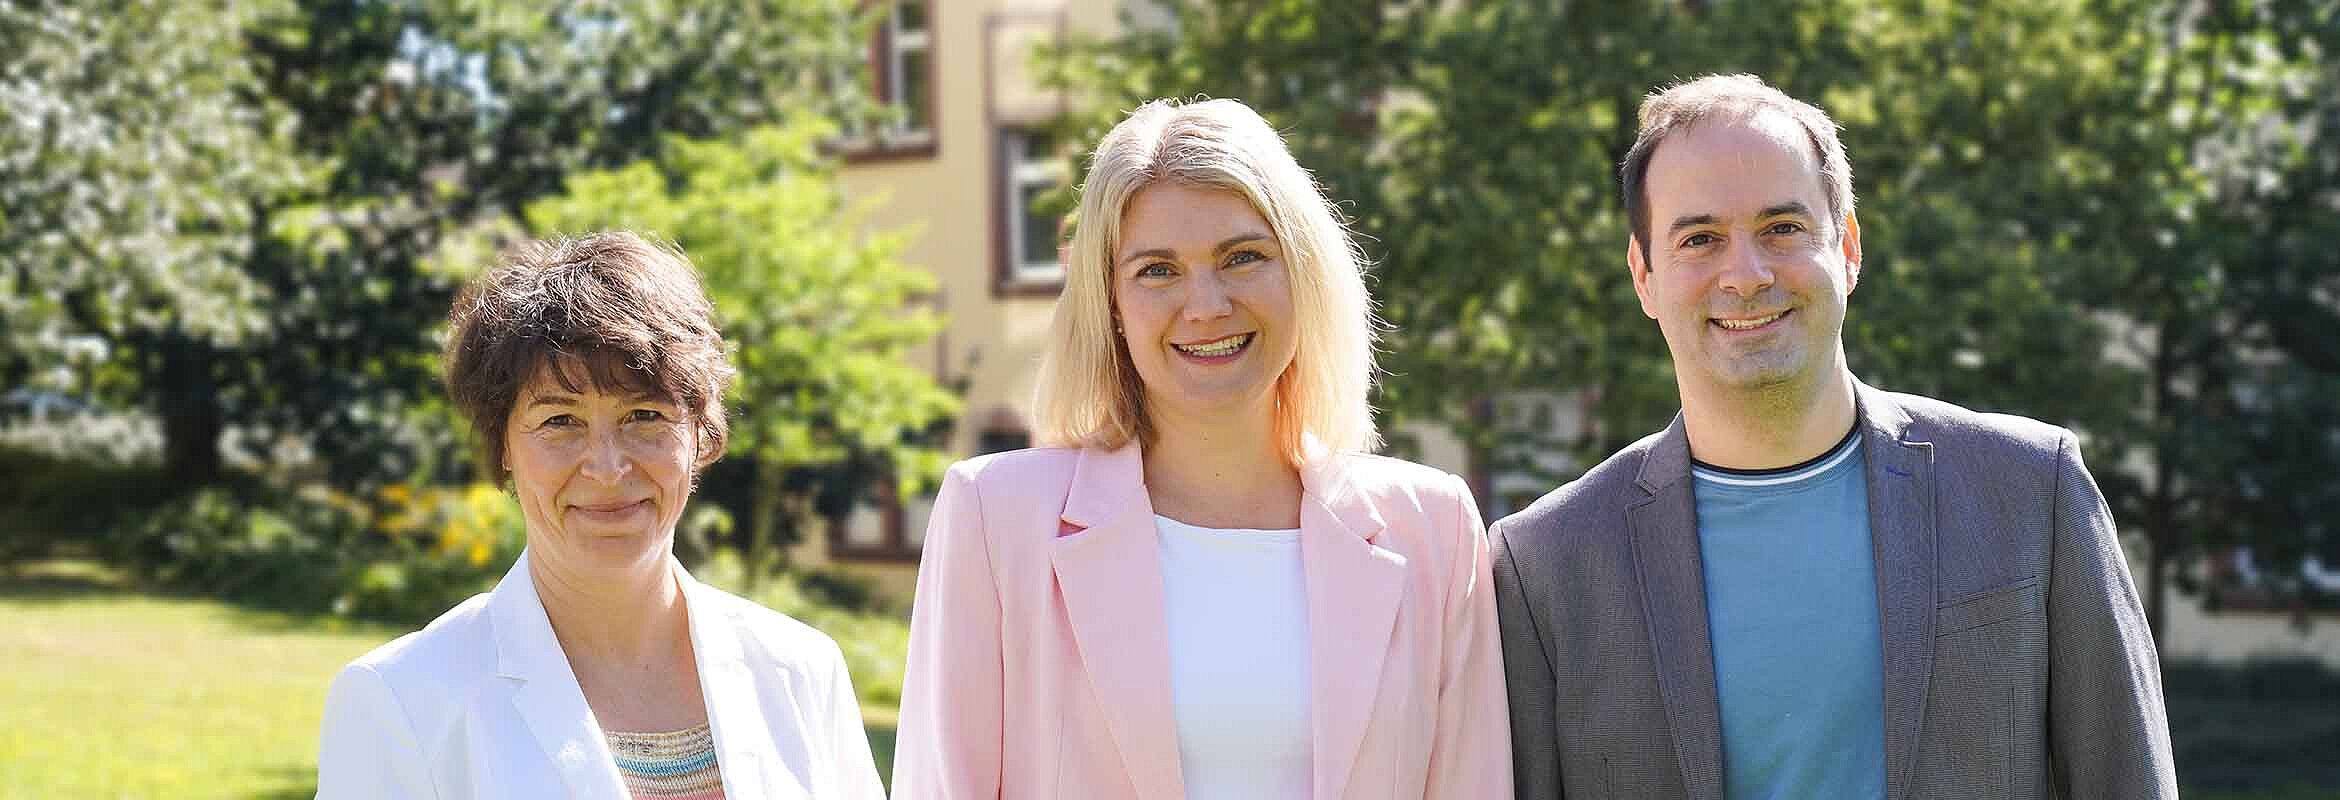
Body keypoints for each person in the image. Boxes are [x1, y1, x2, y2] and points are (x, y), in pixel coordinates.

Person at [1490, 74, 2177, 799]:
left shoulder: (2031, 491)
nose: (1747, 275)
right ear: (1644, 277)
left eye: (1782, 229)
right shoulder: (1545, 566)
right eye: (1700, 239)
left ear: (1847, 247)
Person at [889, 98, 1511, 799]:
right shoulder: (995, 519)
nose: (1207, 304)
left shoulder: (1431, 529)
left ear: (1303, 272)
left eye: (1242, 257)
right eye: (1157, 270)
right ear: (1111, 306)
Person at [316, 232, 885, 800]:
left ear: (701, 434)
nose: (608, 467)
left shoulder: (802, 672)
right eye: (560, 421)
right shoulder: (402, 701)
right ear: (504, 447)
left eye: (643, 415)